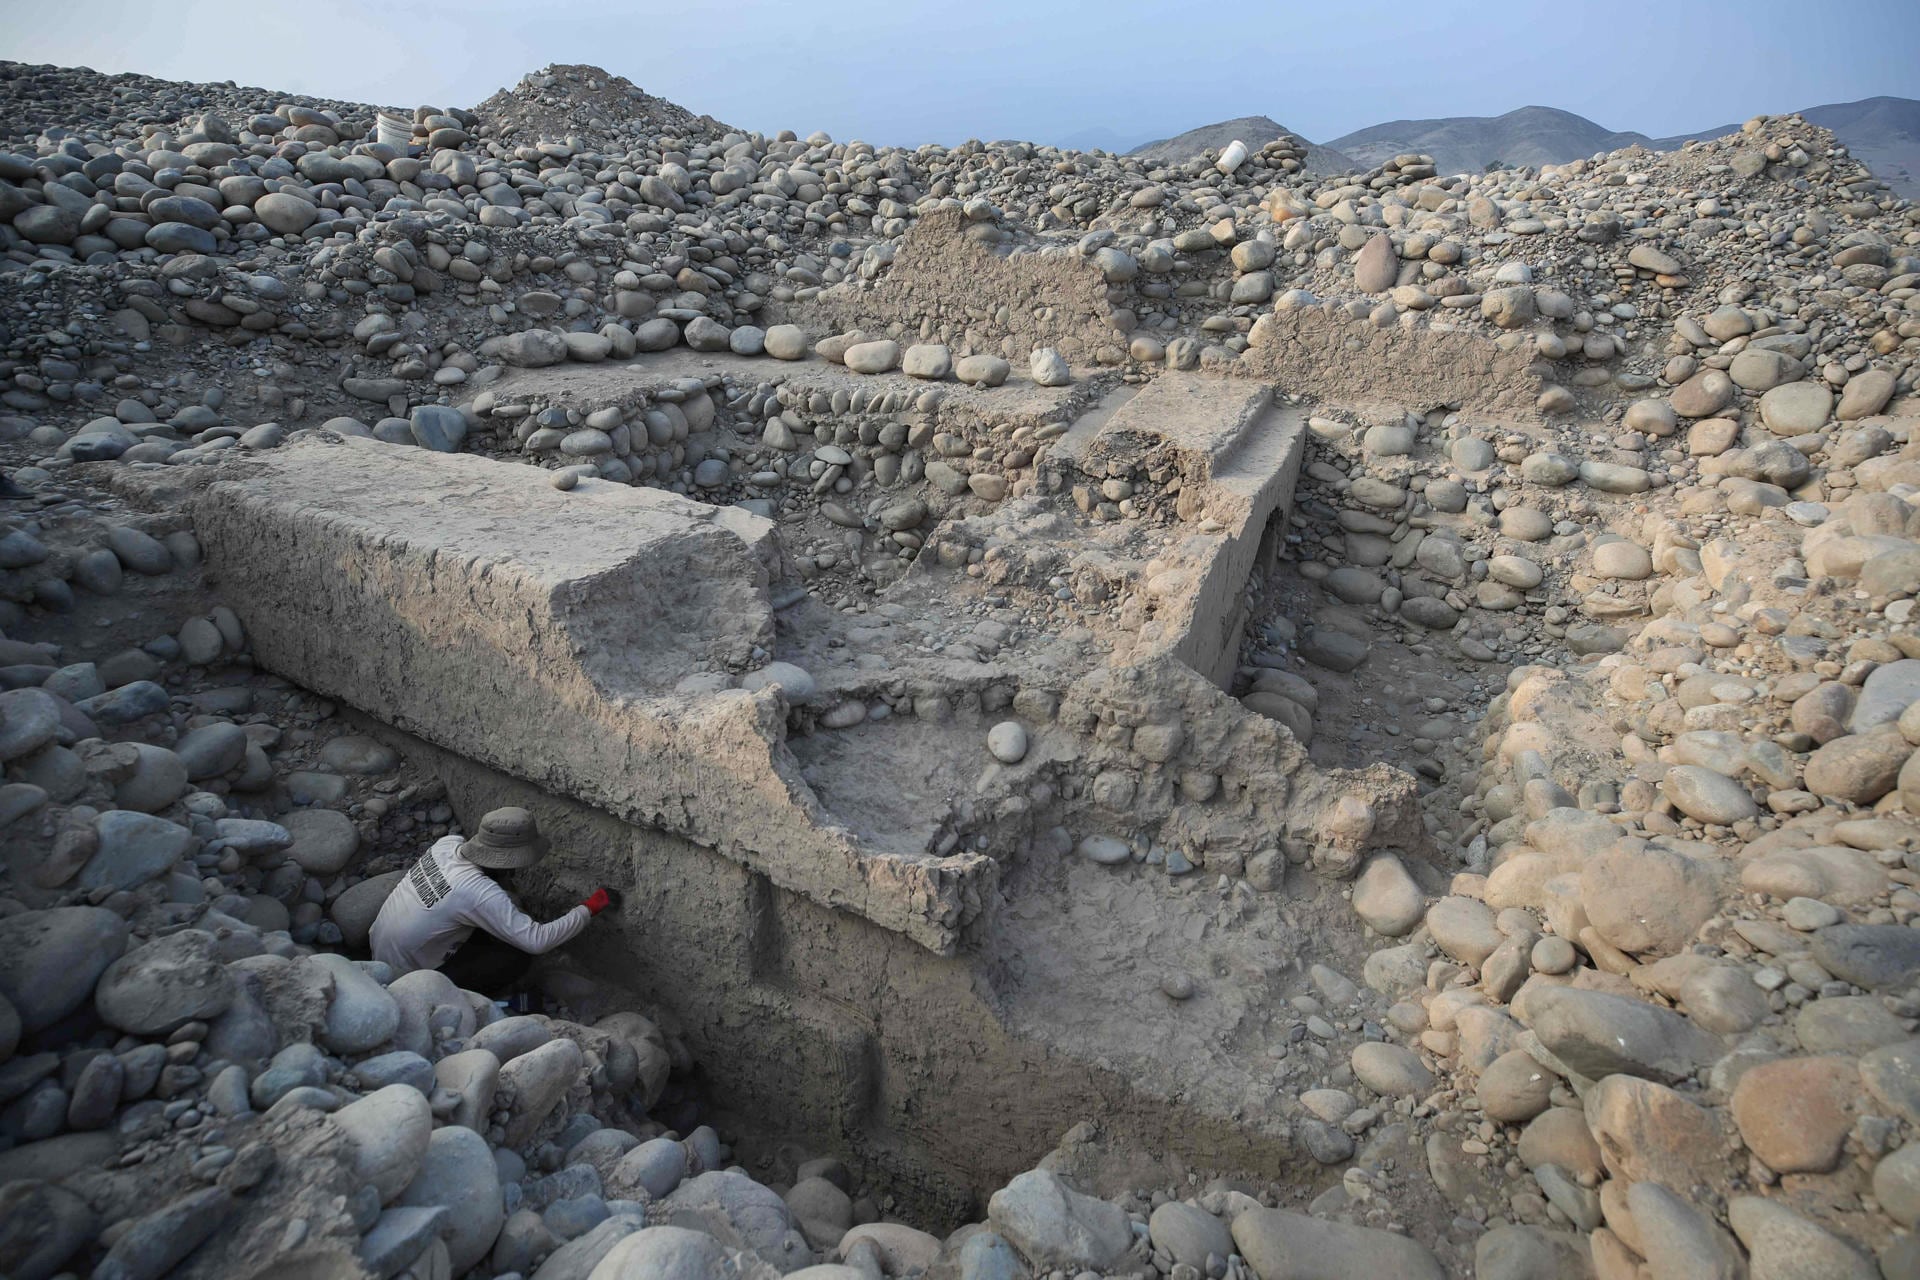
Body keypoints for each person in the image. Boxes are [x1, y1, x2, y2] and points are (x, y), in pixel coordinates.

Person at [371, 806, 616, 992]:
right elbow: (537, 941)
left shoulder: (447, 844)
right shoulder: (477, 892)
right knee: (516, 957)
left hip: (379, 954)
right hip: (410, 978)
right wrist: (589, 908)